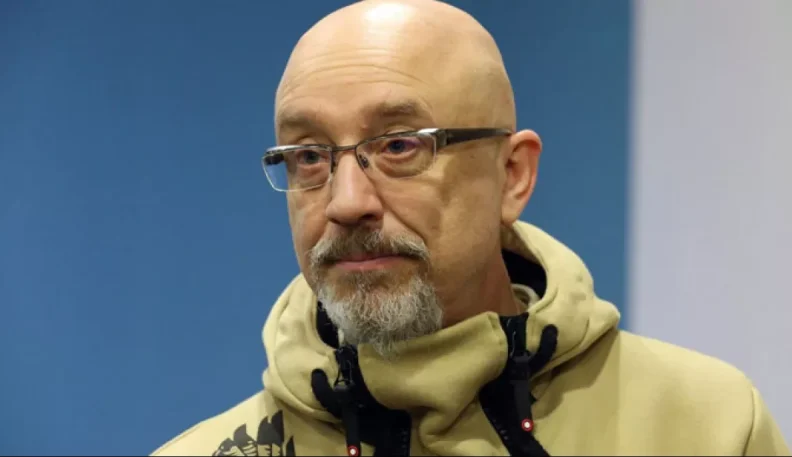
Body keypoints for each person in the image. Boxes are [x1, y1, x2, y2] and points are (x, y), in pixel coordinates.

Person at [152, 0, 790, 455]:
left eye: (399, 145)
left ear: (513, 175)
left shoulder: (706, 428)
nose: (346, 202)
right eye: (311, 156)